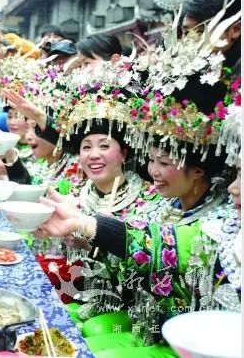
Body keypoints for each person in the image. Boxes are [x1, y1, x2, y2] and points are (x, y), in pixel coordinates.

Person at [37, 19, 240, 357]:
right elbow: (132, 262)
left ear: (199, 170)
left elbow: (164, 245)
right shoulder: (166, 206)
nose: (153, 172)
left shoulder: (219, 222)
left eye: (165, 162)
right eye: (152, 161)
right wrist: (86, 238)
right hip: (138, 322)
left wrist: (87, 226)